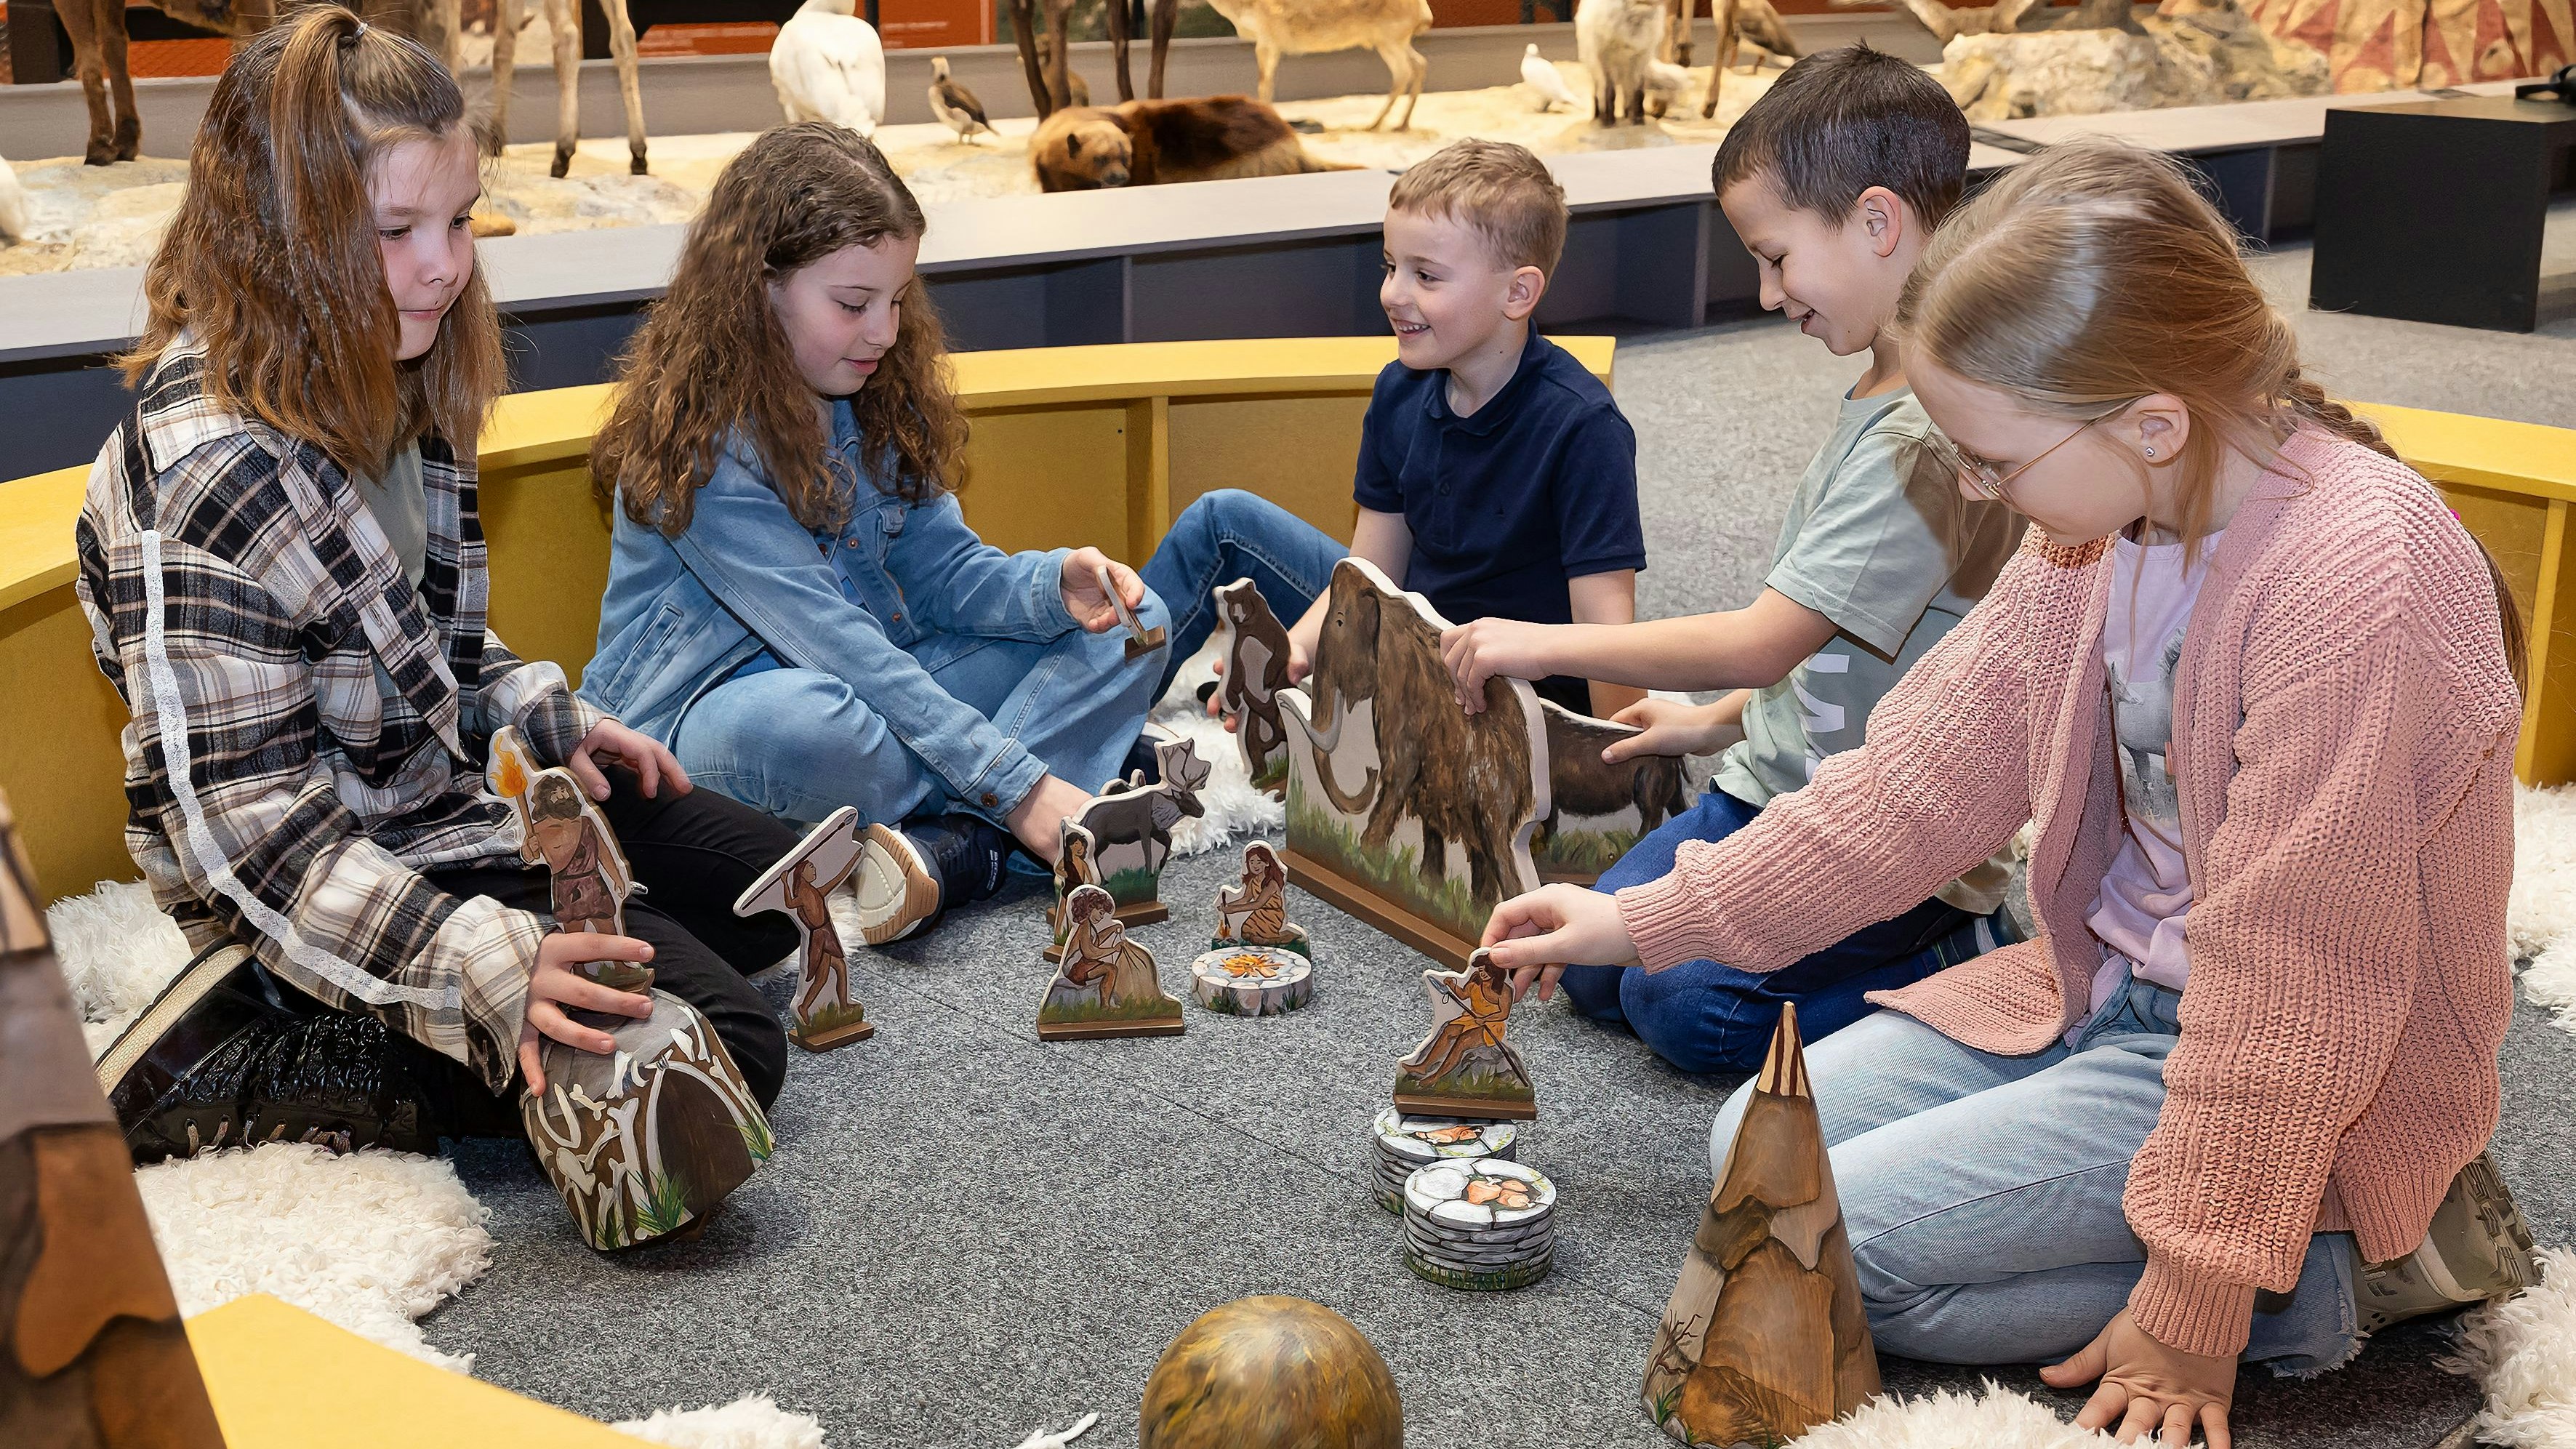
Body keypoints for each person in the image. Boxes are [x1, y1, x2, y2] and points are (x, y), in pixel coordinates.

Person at [1479, 139, 2539, 1447]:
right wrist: (1644, 918)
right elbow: (1907, 788)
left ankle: (2337, 1261)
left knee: (1843, 1244)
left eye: (1992, 457)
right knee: (1756, 1153)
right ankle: (2229, 1226)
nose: (1978, 491)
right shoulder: (2090, 530)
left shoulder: (2354, 579)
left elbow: (2293, 989)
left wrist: (2194, 1304)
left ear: (2150, 422)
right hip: (2109, 1002)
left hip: (2305, 1064)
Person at [74, 11, 801, 1212]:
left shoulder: (401, 366)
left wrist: (549, 719)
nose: (444, 265)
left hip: (438, 805)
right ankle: (240, 1056)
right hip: (304, 889)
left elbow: (430, 650)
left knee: (768, 896)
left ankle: (552, 953)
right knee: (725, 1048)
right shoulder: (208, 473)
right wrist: (486, 966)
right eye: (395, 230)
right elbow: (257, 838)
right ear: (275, 236)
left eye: (458, 221)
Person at [1440, 47, 2022, 1075]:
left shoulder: (1922, 442)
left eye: (1776, 256)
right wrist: (1714, 722)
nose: (1764, 293)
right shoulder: (1878, 391)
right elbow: (1841, 641)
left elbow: (1763, 641)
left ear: (1877, 222)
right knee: (1590, 970)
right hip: (1776, 785)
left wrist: (1539, 642)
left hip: (1887, 833)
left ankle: (1960, 951)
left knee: (1684, 1011)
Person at [582, 124, 1166, 945]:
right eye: (854, 305)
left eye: (897, 300)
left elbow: (944, 575)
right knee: (814, 730)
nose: (885, 332)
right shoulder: (704, 444)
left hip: (883, 681)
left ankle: (952, 844)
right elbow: (837, 645)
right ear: (757, 290)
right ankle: (1022, 805)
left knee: (1134, 625)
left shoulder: (874, 393)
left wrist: (1050, 588)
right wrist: (1019, 786)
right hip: (708, 721)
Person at [1139, 137, 1648, 720]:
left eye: (1425, 275)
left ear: (1517, 292)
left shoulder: (1583, 428)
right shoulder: (1399, 389)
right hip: (1408, 630)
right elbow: (1371, 576)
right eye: (1391, 266)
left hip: (1504, 691)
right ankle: (1086, 721)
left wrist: (1624, 756)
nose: (1391, 294)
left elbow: (1608, 644)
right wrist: (1297, 651)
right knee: (1221, 519)